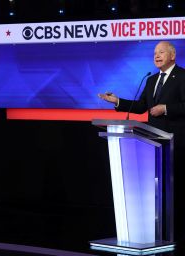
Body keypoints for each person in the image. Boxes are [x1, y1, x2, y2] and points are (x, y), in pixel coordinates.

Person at [99, 41, 185, 244]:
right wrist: (118, 102)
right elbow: (140, 107)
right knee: (158, 190)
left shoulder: (182, 76)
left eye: (161, 52)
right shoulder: (151, 79)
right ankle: (158, 231)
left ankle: (177, 232)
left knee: (176, 189)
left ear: (172, 55)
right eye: (155, 53)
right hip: (154, 143)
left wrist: (166, 108)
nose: (156, 56)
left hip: (177, 143)